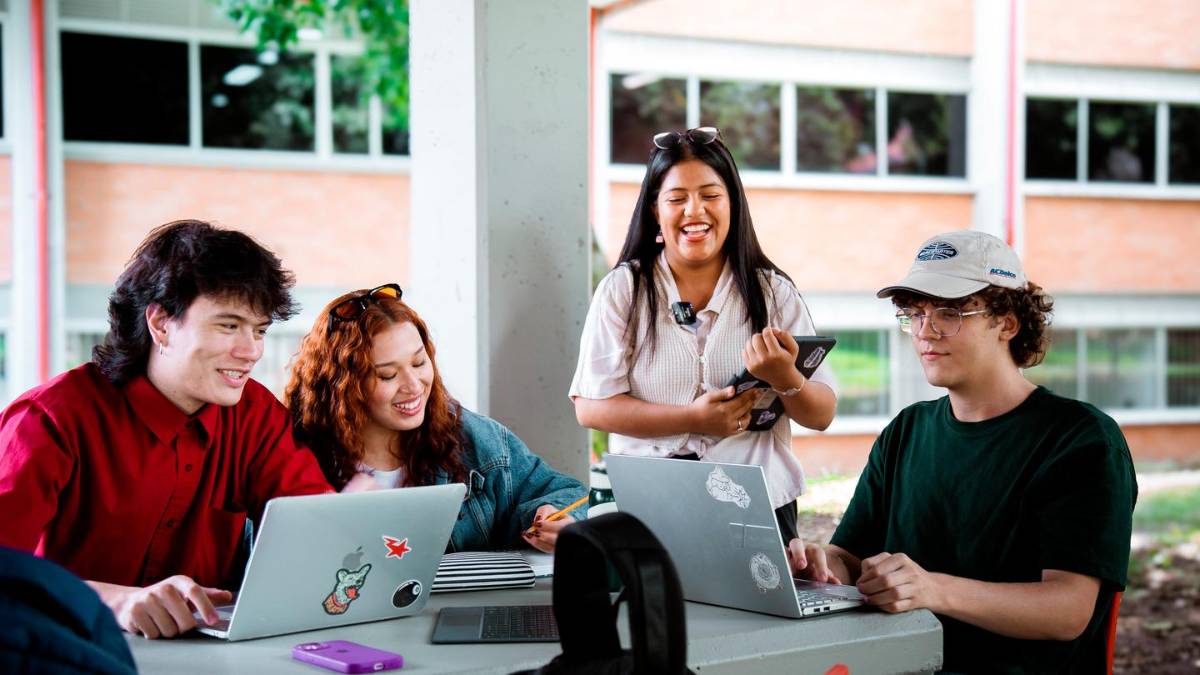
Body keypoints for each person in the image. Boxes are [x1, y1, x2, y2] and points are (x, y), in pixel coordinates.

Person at [793, 231, 1137, 673]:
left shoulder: (1081, 440)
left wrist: (932, 589)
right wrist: (819, 567)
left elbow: (1068, 610)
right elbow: (850, 558)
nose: (925, 331)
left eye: (949, 313)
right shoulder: (906, 431)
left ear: (1007, 323)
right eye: (915, 314)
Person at [0, 220, 335, 639]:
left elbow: (314, 527)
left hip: (207, 658)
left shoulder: (256, 415)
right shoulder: (49, 420)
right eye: (229, 326)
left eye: (260, 330)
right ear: (160, 323)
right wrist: (115, 601)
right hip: (68, 650)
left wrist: (349, 518)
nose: (251, 351)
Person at [570, 126, 837, 545]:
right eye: (677, 199)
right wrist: (692, 419)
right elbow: (590, 408)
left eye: (710, 195)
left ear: (733, 204)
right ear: (655, 210)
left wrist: (786, 377)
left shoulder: (772, 292)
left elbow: (821, 415)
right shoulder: (624, 289)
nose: (694, 211)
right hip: (649, 504)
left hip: (757, 503)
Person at [286, 285, 588, 553]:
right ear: (344, 386)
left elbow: (570, 493)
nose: (414, 386)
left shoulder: (473, 438)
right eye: (387, 375)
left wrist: (556, 515)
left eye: (419, 362)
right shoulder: (295, 454)